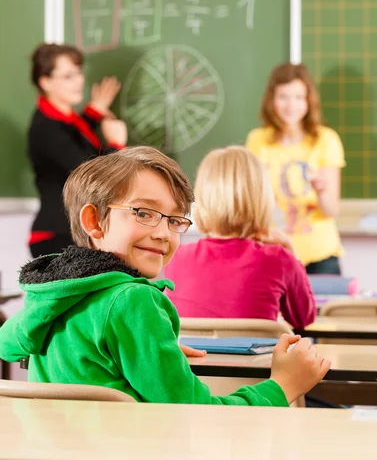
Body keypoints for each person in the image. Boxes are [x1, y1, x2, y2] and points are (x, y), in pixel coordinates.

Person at [0, 147, 330, 406]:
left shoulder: (53, 291)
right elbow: (193, 414)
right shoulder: (133, 300)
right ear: (94, 222)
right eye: (144, 213)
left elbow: (8, 345)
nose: (163, 233)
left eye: (175, 220)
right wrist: (283, 385)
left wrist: (157, 351)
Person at [165, 146, 316, 330]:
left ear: (202, 198)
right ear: (262, 198)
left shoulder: (176, 257)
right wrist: (291, 253)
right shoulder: (280, 259)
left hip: (191, 360)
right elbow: (303, 319)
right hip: (261, 360)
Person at [27, 42, 127, 257]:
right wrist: (116, 145)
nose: (79, 81)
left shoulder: (62, 122)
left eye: (79, 73)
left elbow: (70, 137)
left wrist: (93, 114)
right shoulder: (46, 129)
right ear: (45, 82)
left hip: (71, 233)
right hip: (57, 237)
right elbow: (90, 174)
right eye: (67, 76)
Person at [246, 63, 345, 275]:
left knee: (321, 310)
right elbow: (252, 204)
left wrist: (321, 191)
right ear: (272, 99)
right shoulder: (258, 140)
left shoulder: (325, 140)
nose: (291, 105)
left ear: (309, 100)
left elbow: (332, 210)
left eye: (299, 97)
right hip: (272, 251)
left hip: (320, 257)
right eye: (283, 97)